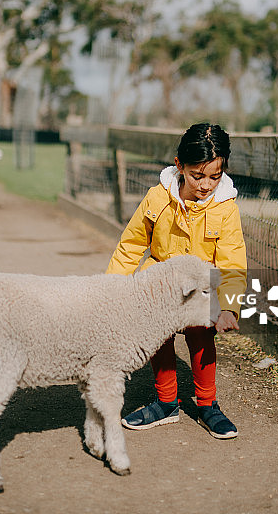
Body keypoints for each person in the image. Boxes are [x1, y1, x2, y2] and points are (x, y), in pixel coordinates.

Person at [106, 122, 247, 439]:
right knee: (158, 332)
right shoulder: (157, 199)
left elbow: (232, 261)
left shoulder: (226, 209)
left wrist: (229, 307)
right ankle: (166, 403)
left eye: (215, 176)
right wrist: (111, 291)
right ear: (179, 165)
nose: (206, 185)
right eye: (198, 175)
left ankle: (208, 405)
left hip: (202, 287)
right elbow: (131, 246)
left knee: (201, 336)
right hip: (161, 285)